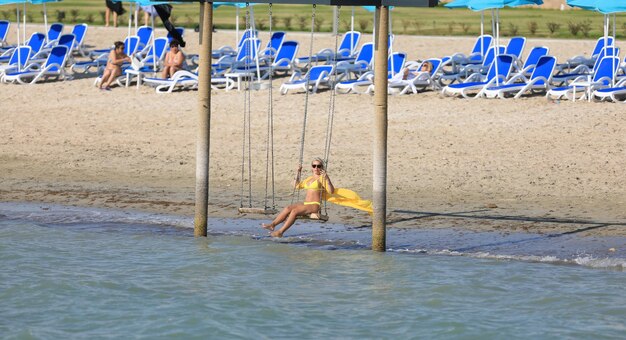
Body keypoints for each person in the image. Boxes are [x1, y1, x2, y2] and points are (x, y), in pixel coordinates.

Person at [262, 158, 335, 238]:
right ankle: (272, 225)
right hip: (306, 204)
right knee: (288, 208)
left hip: (314, 205)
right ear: (311, 167)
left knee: (294, 211)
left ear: (322, 168)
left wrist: (327, 179)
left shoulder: (322, 178)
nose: (316, 168)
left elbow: (331, 191)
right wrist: (298, 172)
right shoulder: (309, 179)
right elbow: (296, 185)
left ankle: (280, 232)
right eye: (314, 166)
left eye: (318, 166)